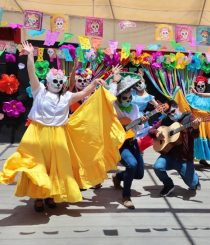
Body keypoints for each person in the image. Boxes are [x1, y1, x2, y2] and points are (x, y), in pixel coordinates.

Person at [0, 41, 125, 212]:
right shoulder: (40, 91)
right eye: (55, 81)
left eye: (60, 82)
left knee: (56, 168)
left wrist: (94, 83)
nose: (58, 84)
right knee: (37, 166)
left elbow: (82, 93)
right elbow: (31, 73)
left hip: (58, 136)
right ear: (49, 80)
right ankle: (38, 197)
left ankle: (51, 195)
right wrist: (30, 55)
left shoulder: (66, 97)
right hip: (37, 134)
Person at [106, 66, 148, 209]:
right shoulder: (113, 107)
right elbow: (108, 100)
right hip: (119, 144)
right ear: (118, 97)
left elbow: (137, 129)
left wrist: (140, 123)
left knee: (139, 174)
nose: (128, 100)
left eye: (130, 97)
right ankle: (126, 195)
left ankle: (118, 177)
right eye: (125, 98)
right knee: (132, 165)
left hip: (132, 141)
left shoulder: (135, 108)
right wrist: (115, 81)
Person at [149, 100, 201, 196]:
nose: (171, 115)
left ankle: (195, 178)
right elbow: (151, 130)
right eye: (168, 114)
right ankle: (168, 185)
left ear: (177, 107)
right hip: (169, 156)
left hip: (184, 158)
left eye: (173, 112)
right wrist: (156, 133)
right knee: (157, 167)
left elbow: (195, 135)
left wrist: (196, 127)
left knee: (193, 185)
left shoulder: (189, 118)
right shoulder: (165, 120)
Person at [174, 75, 210, 167]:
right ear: (195, 87)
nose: (200, 88)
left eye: (202, 86)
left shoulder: (209, 99)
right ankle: (189, 160)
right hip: (195, 123)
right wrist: (178, 92)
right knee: (195, 142)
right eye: (198, 86)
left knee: (206, 143)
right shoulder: (191, 97)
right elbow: (185, 107)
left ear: (205, 86)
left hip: (207, 124)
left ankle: (203, 159)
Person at [132, 68, 159, 154]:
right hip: (130, 115)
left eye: (140, 82)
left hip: (141, 118)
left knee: (140, 138)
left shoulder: (149, 97)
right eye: (137, 83)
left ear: (144, 82)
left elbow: (158, 107)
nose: (139, 84)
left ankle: (139, 152)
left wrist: (163, 110)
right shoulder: (131, 92)